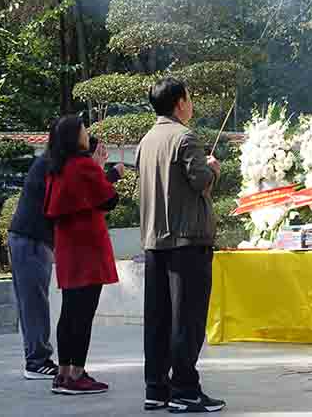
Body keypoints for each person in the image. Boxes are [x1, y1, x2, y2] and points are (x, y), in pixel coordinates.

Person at [137, 77, 225, 413]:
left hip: (154, 241)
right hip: (187, 241)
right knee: (186, 319)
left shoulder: (146, 141)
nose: (191, 104)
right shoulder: (184, 137)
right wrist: (213, 169)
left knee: (157, 319)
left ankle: (156, 388)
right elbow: (200, 181)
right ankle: (185, 390)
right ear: (179, 103)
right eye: (189, 98)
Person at [43, 115, 122, 396]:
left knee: (69, 311)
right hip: (88, 246)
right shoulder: (84, 165)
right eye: (84, 130)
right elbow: (110, 199)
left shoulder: (56, 167)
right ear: (74, 137)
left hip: (66, 247)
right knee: (84, 314)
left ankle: (63, 373)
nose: (88, 134)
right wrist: (102, 170)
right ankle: (77, 374)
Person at [7, 121, 59, 380]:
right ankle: (37, 361)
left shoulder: (49, 163)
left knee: (34, 300)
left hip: (33, 239)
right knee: (34, 302)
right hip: (31, 240)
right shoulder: (50, 165)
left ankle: (37, 357)